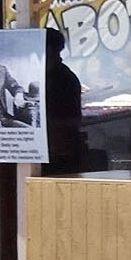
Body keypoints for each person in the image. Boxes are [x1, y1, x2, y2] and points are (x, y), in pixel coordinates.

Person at [43, 28, 84, 174]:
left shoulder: (65, 80)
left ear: (48, 49)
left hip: (58, 157)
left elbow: (73, 121)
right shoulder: (34, 76)